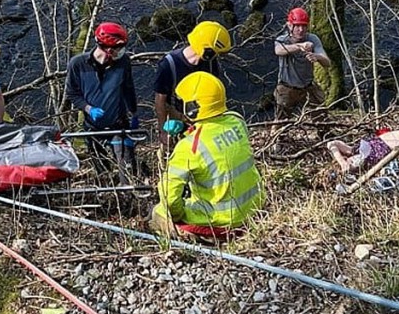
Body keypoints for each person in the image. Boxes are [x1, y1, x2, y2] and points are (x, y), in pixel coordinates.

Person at [151, 72, 263, 240]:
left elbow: (170, 197)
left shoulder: (189, 147)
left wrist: (180, 214)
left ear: (192, 107)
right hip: (254, 208)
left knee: (158, 212)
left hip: (219, 222)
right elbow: (213, 136)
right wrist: (186, 128)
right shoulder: (237, 120)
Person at [65, 21, 138, 175]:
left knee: (128, 169)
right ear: (108, 48)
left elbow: (128, 89)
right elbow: (72, 93)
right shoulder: (77, 64)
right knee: (102, 171)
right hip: (92, 127)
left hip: (118, 125)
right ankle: (108, 193)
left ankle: (128, 191)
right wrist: (88, 108)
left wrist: (134, 114)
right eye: (119, 47)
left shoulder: (123, 63)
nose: (122, 51)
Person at [153, 20, 232, 145]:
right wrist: (163, 130)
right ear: (207, 51)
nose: (216, 56)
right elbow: (160, 99)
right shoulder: (169, 65)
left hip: (203, 116)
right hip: (176, 117)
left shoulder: (211, 63)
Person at [273, 7, 330, 117]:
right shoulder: (282, 39)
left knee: (321, 116)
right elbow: (278, 50)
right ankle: (278, 133)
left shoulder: (313, 39)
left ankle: (325, 133)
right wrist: (299, 46)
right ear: (290, 25)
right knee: (281, 120)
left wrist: (317, 57)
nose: (301, 29)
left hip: (307, 86)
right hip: (287, 87)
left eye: (304, 26)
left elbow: (327, 62)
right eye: (297, 26)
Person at [327, 127, 399, 175]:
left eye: (350, 161)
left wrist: (342, 162)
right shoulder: (374, 165)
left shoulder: (354, 150)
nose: (354, 161)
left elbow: (332, 144)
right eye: (353, 166)